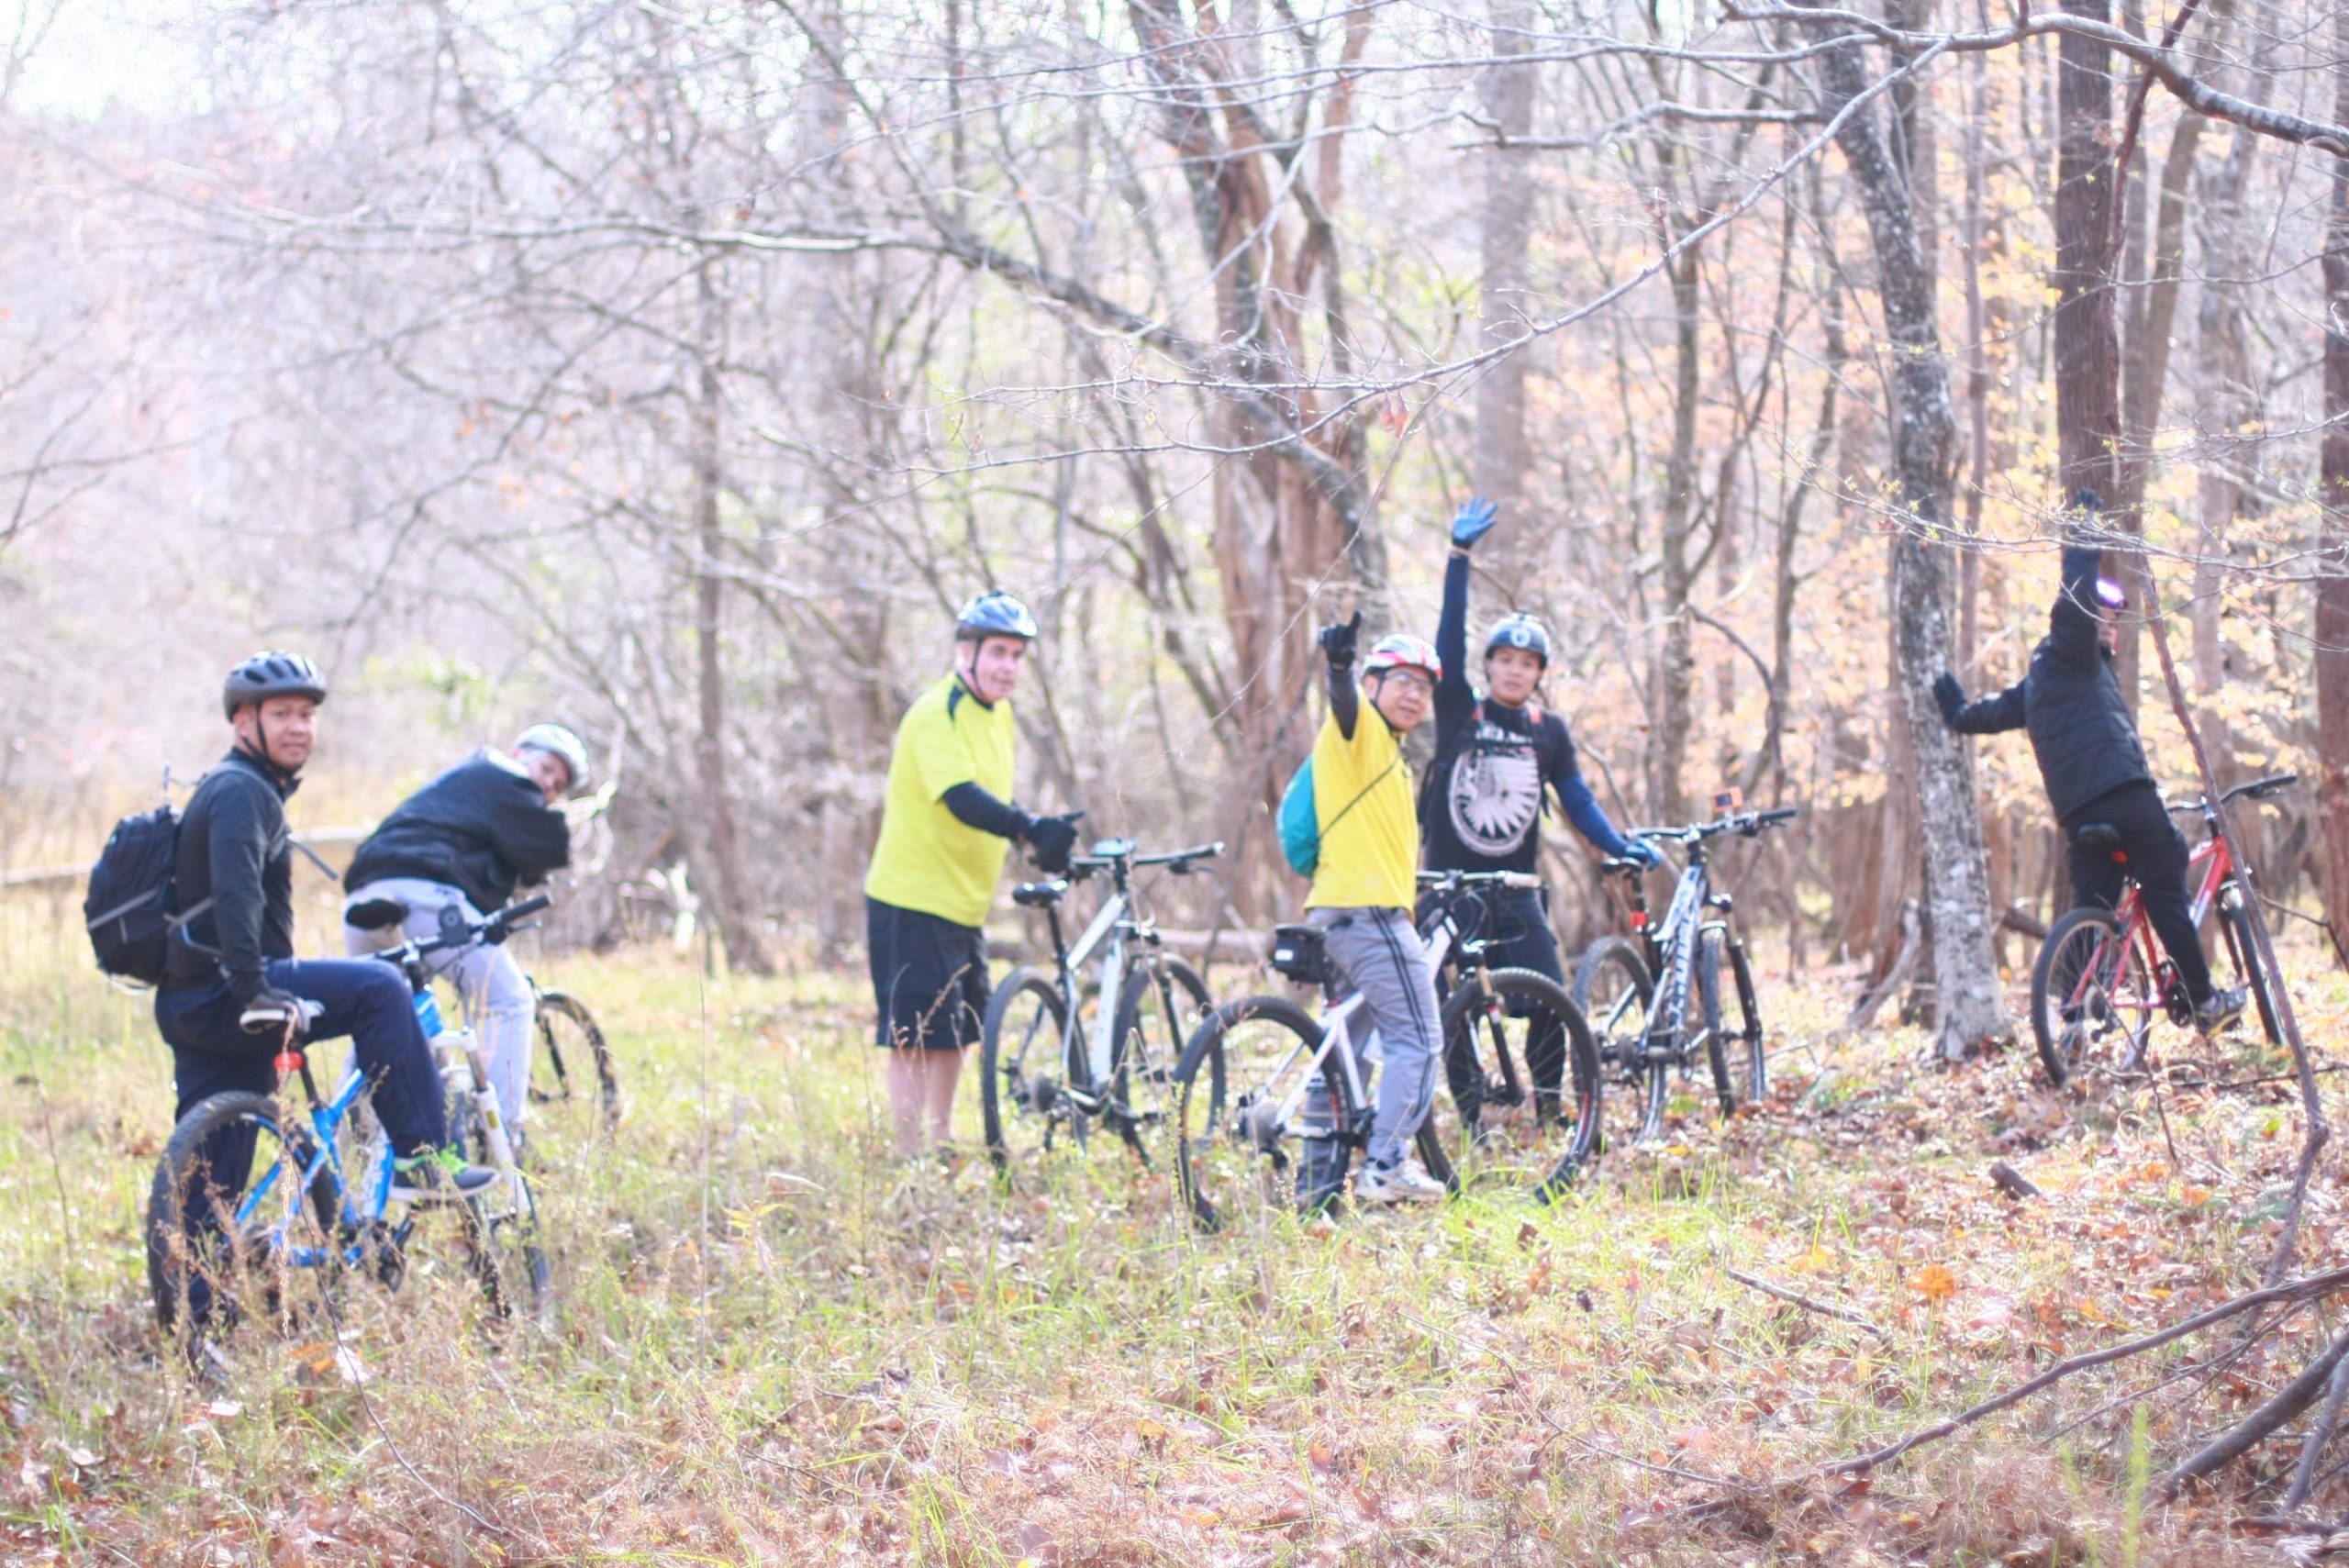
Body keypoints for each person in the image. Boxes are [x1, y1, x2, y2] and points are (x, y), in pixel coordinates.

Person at [157, 652, 492, 1328]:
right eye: (281, 714)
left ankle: (193, 1330)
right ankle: (430, 1158)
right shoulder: (242, 790)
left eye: (307, 715)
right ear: (243, 720)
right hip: (236, 988)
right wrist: (257, 987)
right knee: (378, 988)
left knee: (208, 1179)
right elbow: (235, 893)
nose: (299, 727)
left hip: (190, 999)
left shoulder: (235, 788)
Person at [1935, 492, 2245, 1033]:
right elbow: (2076, 595)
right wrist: (2084, 527)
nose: (2109, 623)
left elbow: (1968, 717)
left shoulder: (2034, 688)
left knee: (2094, 901)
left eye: (2114, 618)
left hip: (2078, 814)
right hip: (2123, 791)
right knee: (2168, 872)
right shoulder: (2070, 654)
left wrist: (1939, 687)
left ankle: (2073, 1021)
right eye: (2103, 616)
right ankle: (2204, 1001)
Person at [1419, 497, 1661, 1127]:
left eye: (1527, 664)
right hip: (1451, 889)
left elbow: (1575, 795)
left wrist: (1616, 845)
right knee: (1455, 1008)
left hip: (1519, 890)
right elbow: (1446, 639)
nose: (1514, 670)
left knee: (1551, 997)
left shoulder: (1547, 730)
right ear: (1489, 665)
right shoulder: (1457, 712)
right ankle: (1470, 1116)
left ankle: (1549, 1106)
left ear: (1539, 674)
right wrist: (1458, 558)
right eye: (1505, 659)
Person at [863, 592, 1082, 1159]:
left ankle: (941, 1139)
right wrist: (1028, 827)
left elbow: (992, 799)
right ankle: (909, 1155)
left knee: (957, 1032)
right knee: (914, 1036)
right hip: (912, 899)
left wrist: (1034, 839)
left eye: (1016, 655)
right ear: (967, 651)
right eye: (998, 652)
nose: (1008, 666)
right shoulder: (939, 711)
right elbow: (961, 797)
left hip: (964, 904)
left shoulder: (999, 713)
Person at [340, 723, 585, 1128]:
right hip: (424, 895)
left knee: (387, 1019)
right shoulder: (508, 777)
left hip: (363, 896)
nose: (547, 787)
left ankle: (347, 1144)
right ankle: (504, 1139)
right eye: (546, 769)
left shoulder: (455, 786)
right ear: (519, 753)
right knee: (510, 1000)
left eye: (557, 785)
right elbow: (546, 848)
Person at [1297, 612, 1451, 1210]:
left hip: (1338, 910)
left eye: (1423, 684)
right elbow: (1341, 703)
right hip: (1369, 915)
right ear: (1373, 685)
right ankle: (1387, 1165)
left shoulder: (1389, 752)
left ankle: (1314, 1191)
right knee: (1420, 1039)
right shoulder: (1357, 729)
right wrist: (1338, 666)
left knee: (1343, 1053)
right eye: (1401, 680)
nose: (1414, 693)